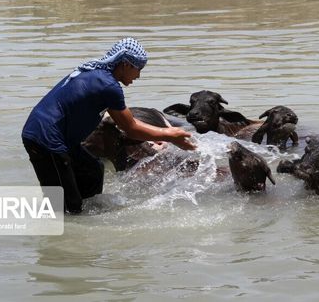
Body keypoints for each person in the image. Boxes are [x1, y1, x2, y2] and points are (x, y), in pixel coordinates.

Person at [22, 37, 196, 213]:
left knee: (93, 170)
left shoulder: (97, 75)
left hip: (61, 138)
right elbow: (130, 127)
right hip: (45, 139)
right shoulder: (108, 85)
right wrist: (170, 135)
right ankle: (68, 221)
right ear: (126, 65)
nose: (139, 75)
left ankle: (85, 212)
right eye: (138, 69)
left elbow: (128, 123)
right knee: (66, 206)